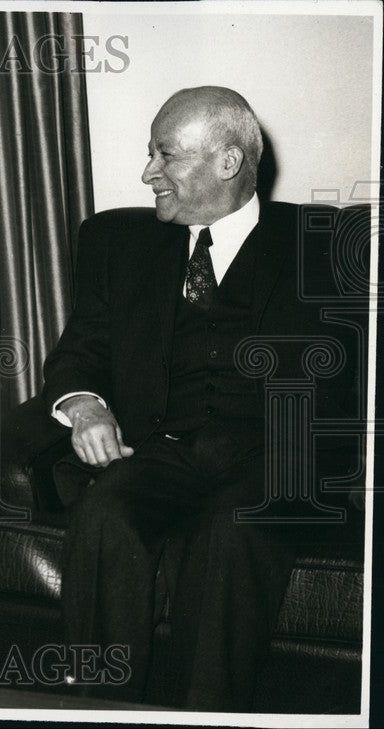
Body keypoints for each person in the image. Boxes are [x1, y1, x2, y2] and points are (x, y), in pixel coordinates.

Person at [41, 86, 363, 711]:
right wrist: (84, 404)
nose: (147, 173)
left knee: (230, 532)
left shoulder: (329, 243)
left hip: (282, 457)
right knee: (105, 513)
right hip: (165, 447)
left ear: (228, 161)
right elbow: (79, 350)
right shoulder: (119, 245)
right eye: (149, 155)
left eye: (166, 156)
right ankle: (97, 708)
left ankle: (202, 717)